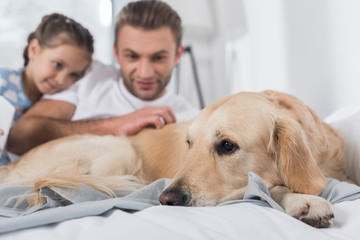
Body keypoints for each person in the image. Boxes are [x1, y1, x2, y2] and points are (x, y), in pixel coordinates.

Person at [7, 1, 199, 157]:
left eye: (158, 58)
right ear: (116, 53)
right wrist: (116, 125)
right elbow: (19, 136)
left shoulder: (191, 119)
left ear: (177, 55)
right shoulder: (87, 75)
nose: (144, 72)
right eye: (132, 56)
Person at [0, 13, 94, 164]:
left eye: (74, 74)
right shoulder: (3, 81)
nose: (62, 80)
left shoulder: (57, 101)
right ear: (33, 50)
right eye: (58, 64)